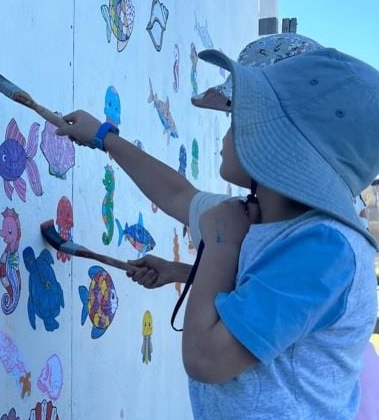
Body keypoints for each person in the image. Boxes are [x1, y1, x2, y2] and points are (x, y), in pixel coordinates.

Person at [56, 34, 379, 418]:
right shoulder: (259, 215)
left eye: (238, 119)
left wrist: (221, 245)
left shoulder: (327, 248)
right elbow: (178, 194)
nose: (225, 136)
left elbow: (207, 358)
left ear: (284, 142)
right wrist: (104, 138)